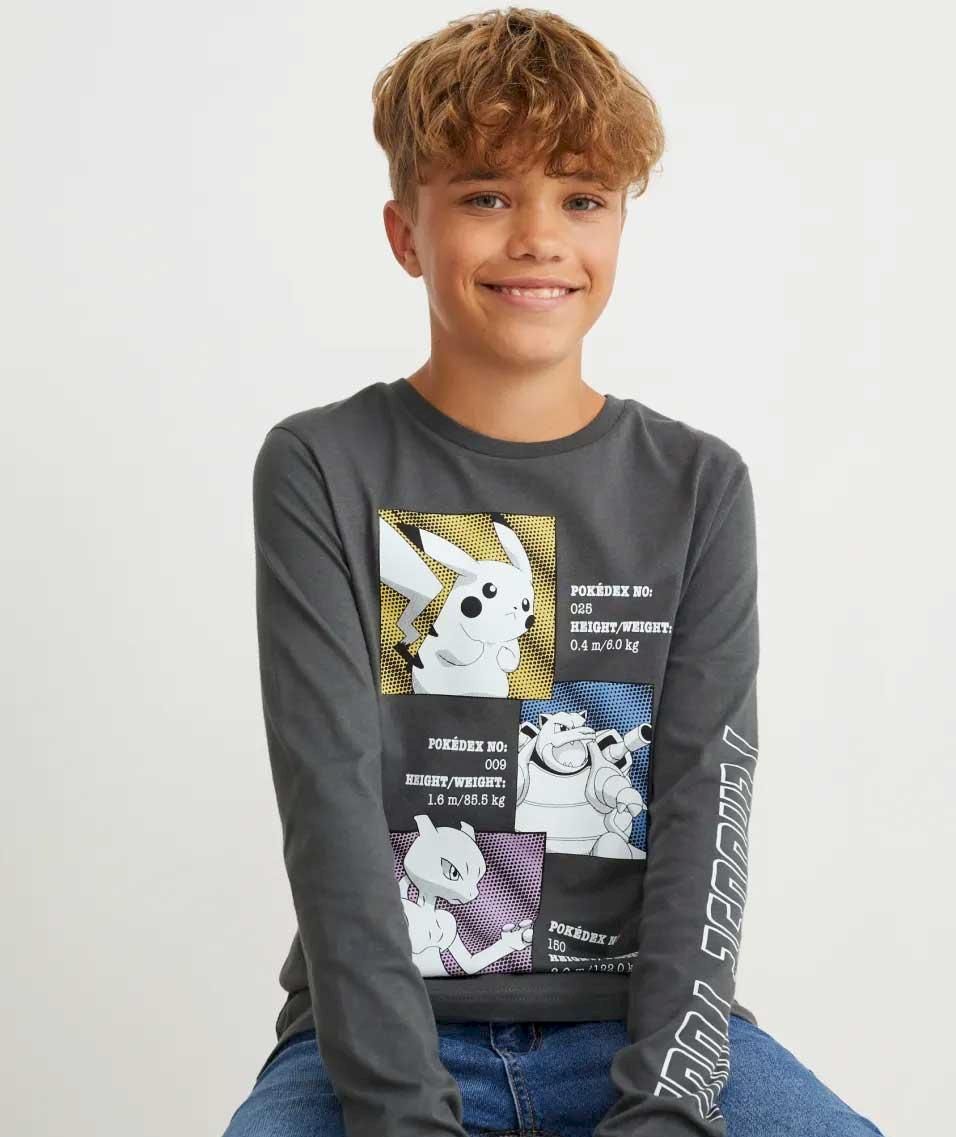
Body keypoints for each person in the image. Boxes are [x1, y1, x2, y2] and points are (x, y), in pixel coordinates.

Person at [222, 9, 885, 1137]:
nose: (538, 237)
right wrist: (400, 1113)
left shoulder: (696, 485)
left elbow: (704, 808)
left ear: (619, 224)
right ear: (405, 233)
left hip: (637, 1031)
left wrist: (665, 1104)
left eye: (581, 199)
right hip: (381, 1038)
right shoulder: (320, 465)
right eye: (486, 196)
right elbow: (328, 804)